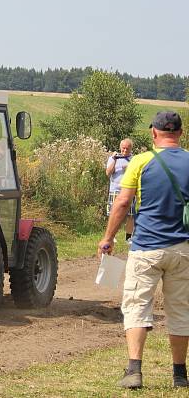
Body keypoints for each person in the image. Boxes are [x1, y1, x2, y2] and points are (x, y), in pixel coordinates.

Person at [98, 112, 189, 389]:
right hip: (182, 249)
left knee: (137, 306)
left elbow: (124, 203)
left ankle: (134, 371)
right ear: (181, 134)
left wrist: (108, 237)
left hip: (146, 248)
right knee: (181, 311)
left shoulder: (140, 161)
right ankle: (179, 375)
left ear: (154, 133)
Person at [106, 138, 135, 241]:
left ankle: (128, 238)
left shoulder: (134, 159)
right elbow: (108, 173)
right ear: (120, 147)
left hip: (130, 191)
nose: (125, 150)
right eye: (123, 148)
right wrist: (114, 159)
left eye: (127, 148)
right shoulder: (113, 158)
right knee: (113, 214)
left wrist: (129, 167)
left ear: (131, 148)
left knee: (131, 215)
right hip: (115, 189)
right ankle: (112, 236)